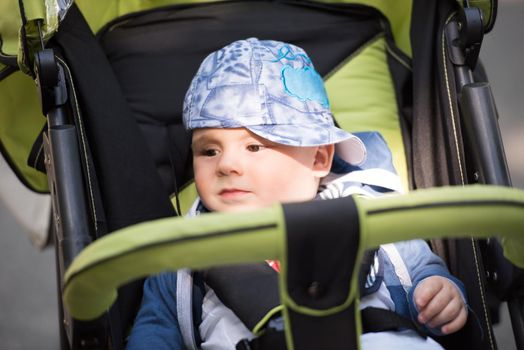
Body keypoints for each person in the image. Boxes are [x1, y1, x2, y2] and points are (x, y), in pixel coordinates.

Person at [126, 38, 468, 350]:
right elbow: (156, 326)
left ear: (318, 157)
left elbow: (422, 270)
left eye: (255, 146)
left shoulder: (368, 212)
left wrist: (439, 292)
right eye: (208, 151)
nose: (227, 164)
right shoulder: (183, 253)